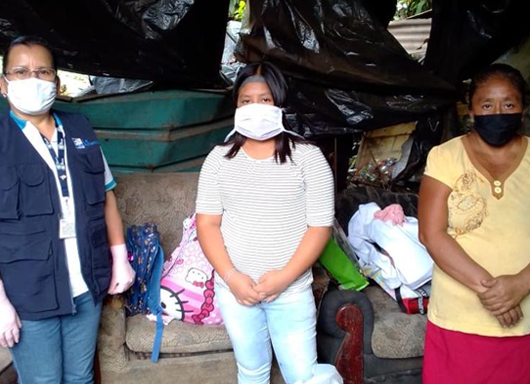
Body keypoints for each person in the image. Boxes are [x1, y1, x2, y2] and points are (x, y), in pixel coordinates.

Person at [196, 62, 342, 384]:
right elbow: (206, 224)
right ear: (235, 105)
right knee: (251, 372)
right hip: (235, 291)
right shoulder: (218, 160)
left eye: (265, 100)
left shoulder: (308, 158)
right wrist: (232, 277)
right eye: (246, 101)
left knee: (303, 375)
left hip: (289, 292)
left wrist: (284, 278)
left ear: (280, 104)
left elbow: (319, 227)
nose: (255, 108)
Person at [0, 36, 135, 384]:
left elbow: (106, 197)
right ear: (3, 84)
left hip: (86, 283)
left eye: (43, 71)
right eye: (20, 71)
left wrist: (120, 259)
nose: (33, 79)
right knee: (43, 380)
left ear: (57, 83)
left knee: (80, 376)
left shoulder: (79, 128)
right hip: (28, 291)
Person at [418, 63, 530, 384]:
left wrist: (521, 284)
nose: (498, 112)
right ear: (471, 110)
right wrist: (495, 292)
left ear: (522, 110)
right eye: (487, 105)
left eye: (508, 104)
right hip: (459, 319)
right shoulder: (445, 156)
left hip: (526, 322)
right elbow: (431, 233)